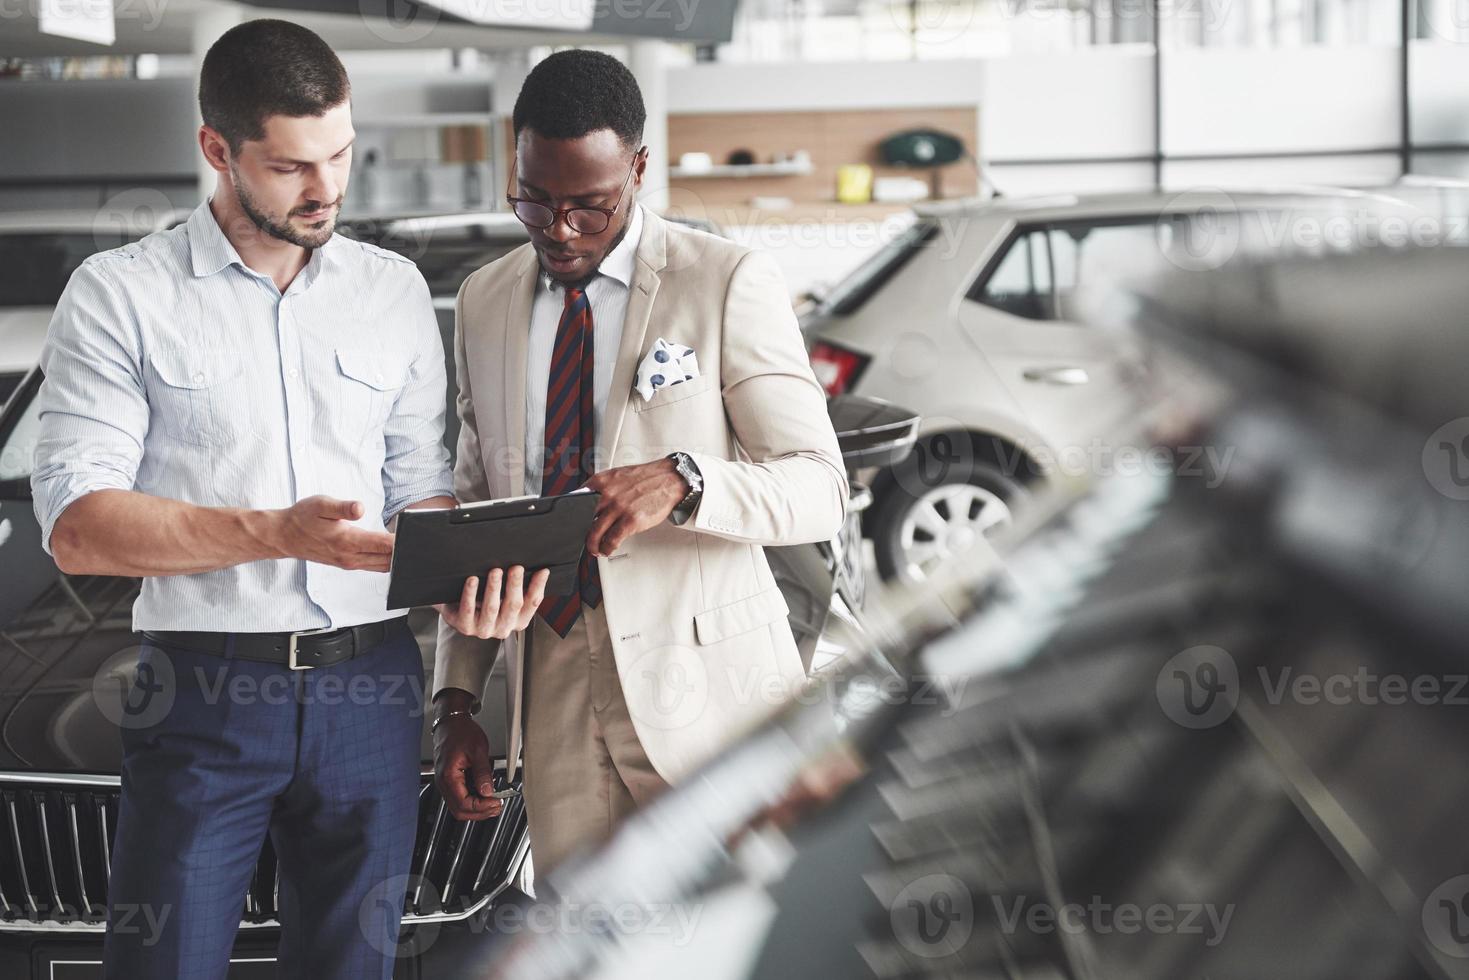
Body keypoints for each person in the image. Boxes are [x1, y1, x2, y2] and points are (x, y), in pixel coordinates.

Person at [29, 19, 539, 979]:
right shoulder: (119, 295)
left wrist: (468, 574)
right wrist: (276, 534)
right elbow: (78, 528)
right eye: (293, 166)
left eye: (342, 153)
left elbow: (415, 493)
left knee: (356, 964)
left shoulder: (390, 294)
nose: (328, 188)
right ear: (217, 151)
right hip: (200, 695)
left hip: (371, 691)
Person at [430, 49, 847, 877]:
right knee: (585, 943)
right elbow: (478, 506)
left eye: (589, 206)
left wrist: (687, 481)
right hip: (548, 699)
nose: (559, 229)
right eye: (533, 200)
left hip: (713, 698)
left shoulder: (724, 282)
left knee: (733, 934)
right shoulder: (483, 298)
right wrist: (456, 700)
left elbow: (818, 486)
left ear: (639, 171)